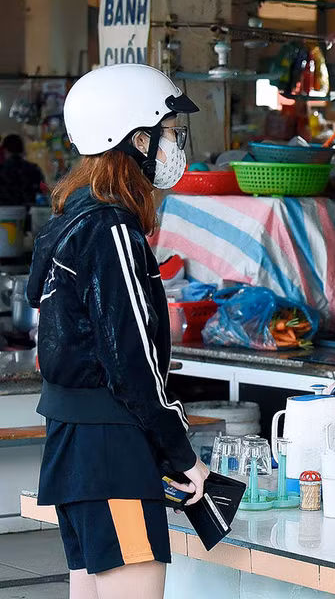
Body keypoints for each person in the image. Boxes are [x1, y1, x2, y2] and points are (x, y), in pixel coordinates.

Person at [25, 64, 208, 599]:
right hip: (111, 453)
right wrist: (181, 453)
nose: (174, 145)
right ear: (137, 138)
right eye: (169, 132)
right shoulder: (112, 231)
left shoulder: (71, 220)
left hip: (72, 442)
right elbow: (131, 361)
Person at [0, 133, 45, 205]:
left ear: (5, 150)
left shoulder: (2, 169)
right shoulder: (33, 168)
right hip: (29, 209)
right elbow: (41, 191)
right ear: (22, 149)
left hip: (4, 210)